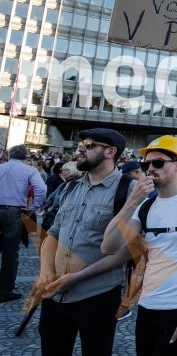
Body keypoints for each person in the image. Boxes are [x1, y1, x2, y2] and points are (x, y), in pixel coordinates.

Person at [101, 135, 177, 356]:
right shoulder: (145, 206)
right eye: (146, 164)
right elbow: (109, 246)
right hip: (147, 307)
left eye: (158, 162)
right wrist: (133, 200)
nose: (150, 169)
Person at [36, 129, 136, 355]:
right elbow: (54, 233)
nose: (80, 149)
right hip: (56, 293)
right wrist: (46, 270)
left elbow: (127, 249)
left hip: (97, 295)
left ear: (110, 152)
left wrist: (77, 277)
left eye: (89, 145)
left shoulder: (128, 189)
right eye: (81, 144)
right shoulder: (71, 186)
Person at [0, 145, 46, 302]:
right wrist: (33, 208)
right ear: (25, 156)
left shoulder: (1, 167)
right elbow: (41, 189)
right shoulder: (29, 170)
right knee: (10, 252)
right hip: (14, 211)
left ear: (9, 155)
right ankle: (5, 290)